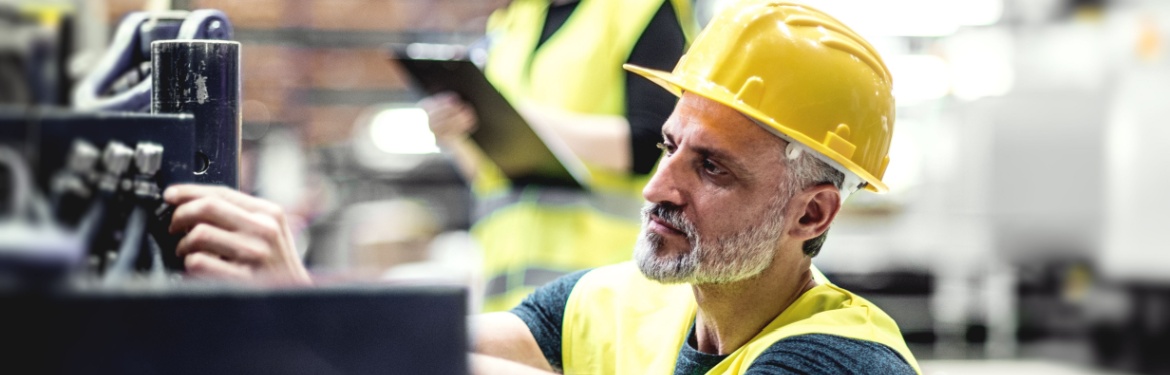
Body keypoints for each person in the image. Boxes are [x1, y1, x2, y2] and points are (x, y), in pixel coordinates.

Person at [165, 1, 922, 373]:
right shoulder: (615, 301)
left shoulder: (835, 359)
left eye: (712, 166)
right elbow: (426, 350)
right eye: (668, 146)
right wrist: (294, 298)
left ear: (811, 211)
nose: (659, 184)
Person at [418, 0, 697, 312]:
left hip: (598, 285)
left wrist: (522, 120)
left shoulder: (637, 10)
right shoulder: (513, 23)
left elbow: (650, 144)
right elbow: (484, 173)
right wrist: (457, 133)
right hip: (506, 286)